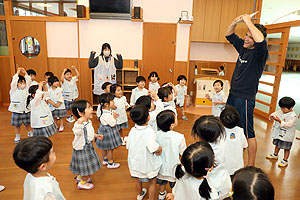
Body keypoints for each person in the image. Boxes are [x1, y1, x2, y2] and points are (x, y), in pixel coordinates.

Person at [225, 14, 268, 166]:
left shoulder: (259, 53)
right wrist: (236, 21)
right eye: (246, 35)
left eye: (250, 36)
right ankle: (233, 157)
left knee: (248, 133)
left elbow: (261, 40)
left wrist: (248, 21)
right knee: (230, 126)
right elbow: (229, 34)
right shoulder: (243, 48)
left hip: (245, 98)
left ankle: (250, 166)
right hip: (233, 95)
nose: (246, 38)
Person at [127, 105, 162, 200]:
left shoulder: (132, 130)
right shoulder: (150, 132)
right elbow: (152, 147)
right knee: (152, 182)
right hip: (147, 163)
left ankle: (140, 194)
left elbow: (128, 145)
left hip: (135, 162)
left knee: (138, 179)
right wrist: (159, 148)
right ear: (148, 117)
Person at [192, 116, 231, 199]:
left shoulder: (201, 151)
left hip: (210, 185)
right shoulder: (222, 144)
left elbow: (207, 169)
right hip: (223, 181)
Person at [69, 100, 103, 190]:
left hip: (88, 147)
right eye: (88, 107)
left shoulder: (88, 121)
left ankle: (80, 177)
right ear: (80, 113)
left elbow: (89, 133)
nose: (92, 109)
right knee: (86, 167)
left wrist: (95, 135)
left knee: (82, 165)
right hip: (83, 148)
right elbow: (76, 131)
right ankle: (82, 183)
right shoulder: (78, 125)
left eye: (91, 107)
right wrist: (80, 122)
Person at [156, 110, 186, 200]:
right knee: (174, 184)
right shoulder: (179, 137)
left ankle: (161, 195)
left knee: (162, 182)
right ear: (172, 125)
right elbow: (183, 153)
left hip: (160, 166)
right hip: (174, 167)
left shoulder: (156, 135)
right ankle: (174, 195)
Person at [266, 97, 297, 167]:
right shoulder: (281, 111)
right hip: (279, 133)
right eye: (281, 108)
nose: (282, 109)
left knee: (286, 148)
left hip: (287, 136)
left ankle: (285, 160)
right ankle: (275, 154)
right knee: (277, 144)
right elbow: (274, 114)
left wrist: (279, 121)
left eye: (284, 108)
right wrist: (271, 116)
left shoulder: (293, 116)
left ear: (291, 107)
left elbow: (288, 125)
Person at [95, 93, 122, 169]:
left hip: (103, 131)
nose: (114, 102)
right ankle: (110, 163)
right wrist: (114, 117)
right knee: (110, 148)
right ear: (106, 104)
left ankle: (105, 160)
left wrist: (113, 114)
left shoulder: (103, 111)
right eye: (112, 100)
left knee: (104, 147)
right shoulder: (107, 115)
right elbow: (113, 124)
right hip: (108, 132)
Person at [220, 105, 248, 175]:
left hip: (223, 168)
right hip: (238, 167)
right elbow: (244, 147)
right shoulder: (240, 131)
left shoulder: (219, 132)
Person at [8, 67, 32, 143]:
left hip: (25, 110)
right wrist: (17, 73)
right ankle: (17, 136)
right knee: (17, 125)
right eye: (20, 82)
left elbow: (29, 81)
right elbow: (14, 82)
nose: (22, 84)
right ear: (17, 84)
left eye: (23, 82)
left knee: (27, 124)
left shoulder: (27, 89)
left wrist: (25, 73)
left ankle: (30, 133)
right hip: (16, 111)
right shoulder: (13, 90)